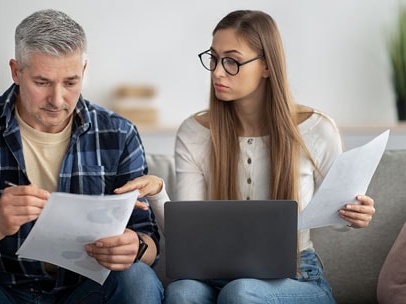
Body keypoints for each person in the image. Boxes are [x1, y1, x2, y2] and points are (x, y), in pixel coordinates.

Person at [116, 10, 376, 303]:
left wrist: (355, 216)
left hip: (296, 275)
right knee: (181, 293)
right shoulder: (195, 132)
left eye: (232, 61)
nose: (217, 71)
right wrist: (158, 192)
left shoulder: (317, 129)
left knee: (241, 292)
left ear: (266, 65)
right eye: (213, 58)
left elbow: (340, 216)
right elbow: (187, 236)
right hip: (216, 273)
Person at [0, 9, 163, 304]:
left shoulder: (118, 133)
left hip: (85, 292)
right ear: (16, 71)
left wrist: (135, 247)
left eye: (70, 82)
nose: (57, 100)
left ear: (83, 70)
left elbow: (148, 240)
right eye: (42, 82)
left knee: (138, 277)